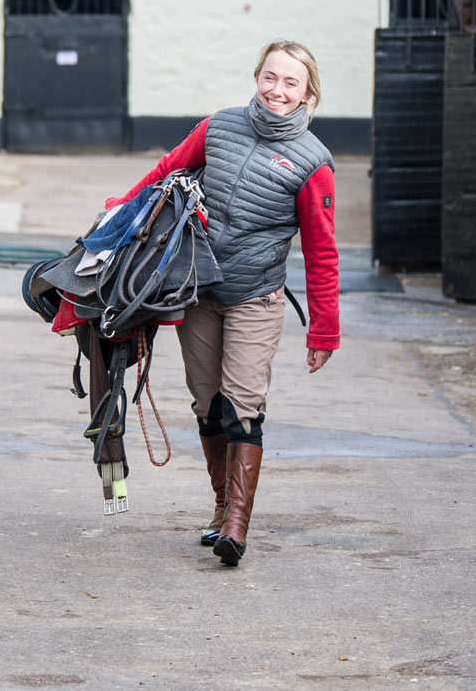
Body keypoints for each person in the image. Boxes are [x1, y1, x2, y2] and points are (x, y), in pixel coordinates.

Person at [104, 39, 340, 566]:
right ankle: (218, 508)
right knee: (207, 405)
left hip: (256, 297)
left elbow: (322, 252)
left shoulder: (312, 163)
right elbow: (165, 171)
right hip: (198, 291)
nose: (278, 90)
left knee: (241, 407)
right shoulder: (219, 127)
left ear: (308, 94)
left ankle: (236, 524)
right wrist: (117, 217)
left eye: (291, 83)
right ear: (257, 77)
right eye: (271, 77)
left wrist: (324, 331)